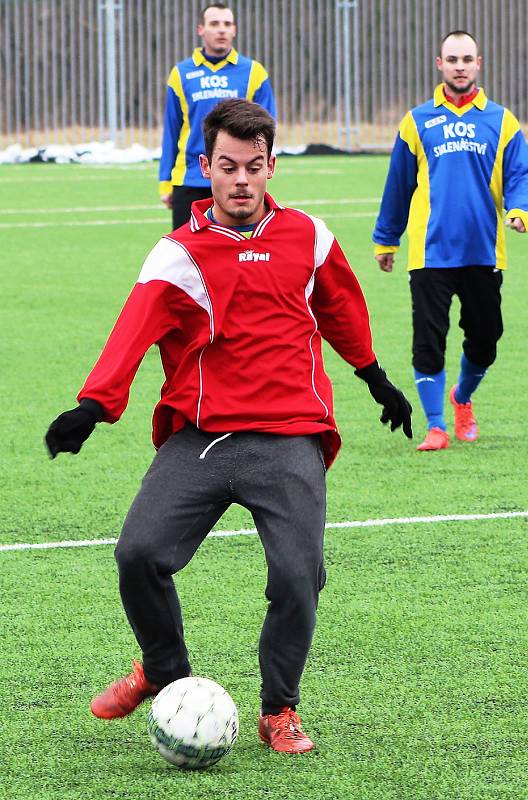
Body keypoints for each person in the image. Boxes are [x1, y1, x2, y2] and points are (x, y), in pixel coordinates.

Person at [46, 99, 412, 754]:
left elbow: (341, 310)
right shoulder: (176, 255)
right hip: (203, 437)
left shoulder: (309, 237)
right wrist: (95, 406)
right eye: (226, 167)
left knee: (298, 575)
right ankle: (164, 672)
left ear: (271, 166)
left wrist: (372, 376)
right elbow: (131, 334)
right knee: (137, 554)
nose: (240, 180)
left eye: (252, 166)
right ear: (205, 168)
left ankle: (280, 708)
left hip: (290, 435)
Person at [372, 30, 528, 451]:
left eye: (467, 59)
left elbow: (521, 175)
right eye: (452, 59)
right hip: (429, 253)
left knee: (485, 339)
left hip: (483, 251)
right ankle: (436, 425)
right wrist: (385, 240)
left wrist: (519, 210)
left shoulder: (502, 121)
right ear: (439, 64)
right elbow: (398, 184)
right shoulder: (417, 122)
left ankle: (462, 398)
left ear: (478, 64)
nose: (460, 66)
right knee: (428, 340)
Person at [159, 2, 276, 230]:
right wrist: (165, 181)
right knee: (187, 256)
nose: (221, 29)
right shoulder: (181, 74)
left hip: (238, 180)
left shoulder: (254, 72)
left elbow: (268, 132)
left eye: (227, 24)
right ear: (201, 29)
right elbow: (171, 130)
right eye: (214, 24)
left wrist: (258, 172)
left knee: (235, 254)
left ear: (234, 30)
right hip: (190, 178)